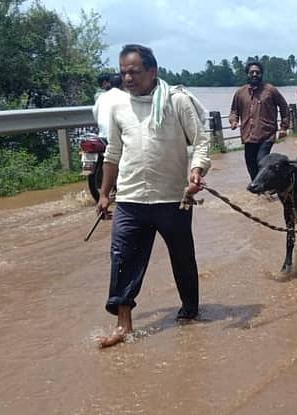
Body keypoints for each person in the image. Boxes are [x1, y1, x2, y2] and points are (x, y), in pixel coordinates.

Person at [94, 44, 212, 348]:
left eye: (134, 71)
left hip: (173, 198)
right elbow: (113, 152)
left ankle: (189, 311)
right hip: (130, 199)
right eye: (123, 72)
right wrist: (104, 193)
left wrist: (197, 171)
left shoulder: (177, 101)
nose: (127, 78)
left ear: (152, 71)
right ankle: (123, 325)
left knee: (182, 257)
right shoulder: (119, 107)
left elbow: (200, 142)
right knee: (122, 259)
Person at [229, 61, 291, 181]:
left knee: (261, 161)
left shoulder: (270, 90)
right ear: (247, 74)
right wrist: (233, 121)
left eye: (257, 72)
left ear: (261, 74)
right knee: (250, 163)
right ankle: (258, 189)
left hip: (266, 135)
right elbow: (234, 111)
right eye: (252, 72)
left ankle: (268, 185)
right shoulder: (240, 93)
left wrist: (284, 127)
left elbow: (284, 107)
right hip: (248, 135)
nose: (254, 74)